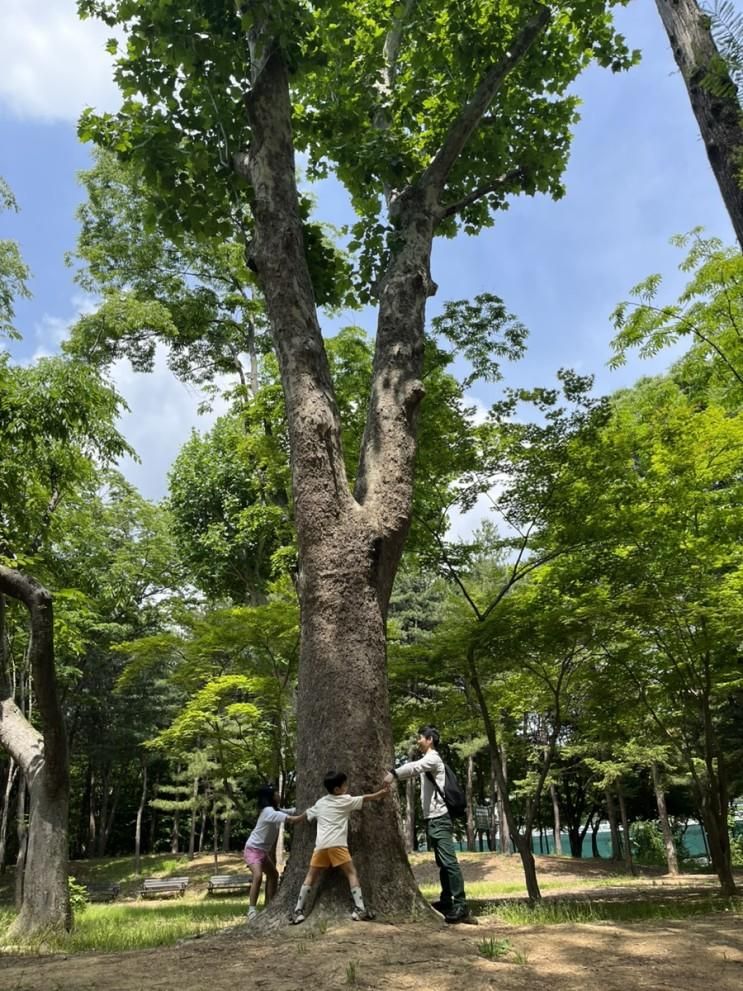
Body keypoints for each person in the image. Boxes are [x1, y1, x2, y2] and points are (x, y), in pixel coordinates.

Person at [384, 725, 469, 923]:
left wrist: (394, 773)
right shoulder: (429, 759)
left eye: (420, 738)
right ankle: (447, 901)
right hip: (434, 819)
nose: (418, 741)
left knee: (449, 862)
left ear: (429, 739)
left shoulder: (433, 758)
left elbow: (414, 767)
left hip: (440, 818)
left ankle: (461, 905)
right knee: (443, 863)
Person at [291, 770, 389, 924]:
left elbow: (307, 813)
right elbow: (365, 798)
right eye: (344, 785)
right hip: (337, 845)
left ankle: (298, 910)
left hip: (321, 846)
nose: (347, 787)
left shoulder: (320, 802)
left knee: (310, 876)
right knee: (351, 873)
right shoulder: (345, 800)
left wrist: (296, 819)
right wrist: (380, 794)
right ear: (337, 789)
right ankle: (360, 908)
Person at [244, 784, 303, 921]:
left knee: (273, 875)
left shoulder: (275, 810)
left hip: (262, 852)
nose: (278, 795)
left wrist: (300, 809)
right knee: (258, 876)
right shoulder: (268, 812)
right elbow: (292, 819)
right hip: (252, 849)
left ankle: (271, 904)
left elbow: (289, 811)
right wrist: (308, 814)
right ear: (270, 797)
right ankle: (251, 910)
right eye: (276, 793)